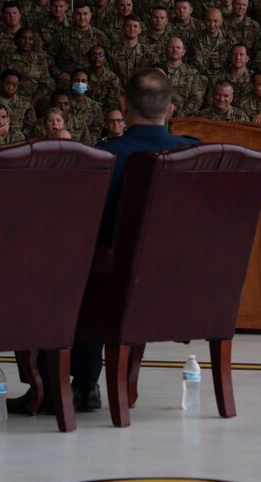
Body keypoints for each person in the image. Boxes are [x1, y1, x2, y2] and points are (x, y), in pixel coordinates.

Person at [14, 67, 198, 415]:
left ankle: (59, 387)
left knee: (59, 271)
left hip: (113, 285)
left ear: (123, 105)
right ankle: (86, 386)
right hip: (182, 283)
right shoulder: (197, 155)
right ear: (171, 109)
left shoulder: (105, 158)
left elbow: (77, 225)